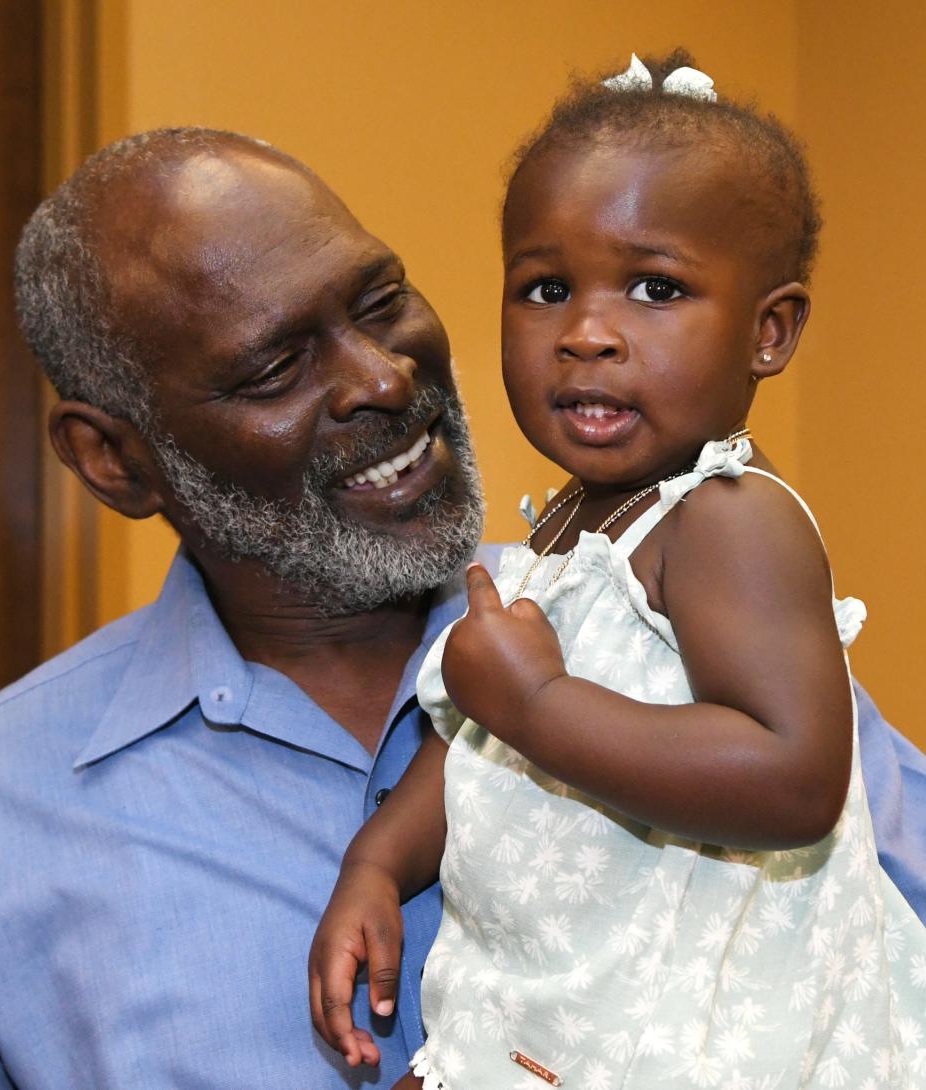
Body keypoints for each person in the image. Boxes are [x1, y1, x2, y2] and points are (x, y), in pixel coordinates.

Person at [0, 125, 920, 1090]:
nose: (383, 377)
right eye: (274, 369)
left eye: (381, 302)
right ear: (114, 461)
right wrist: (377, 866)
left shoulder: (676, 626)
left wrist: (538, 703)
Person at [309, 54, 926, 1089]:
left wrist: (540, 696)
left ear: (768, 332)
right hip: (570, 998)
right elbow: (483, 737)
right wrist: (376, 862)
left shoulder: (730, 518)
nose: (588, 334)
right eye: (546, 288)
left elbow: (796, 776)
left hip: (705, 1021)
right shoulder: (572, 519)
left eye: (656, 288)